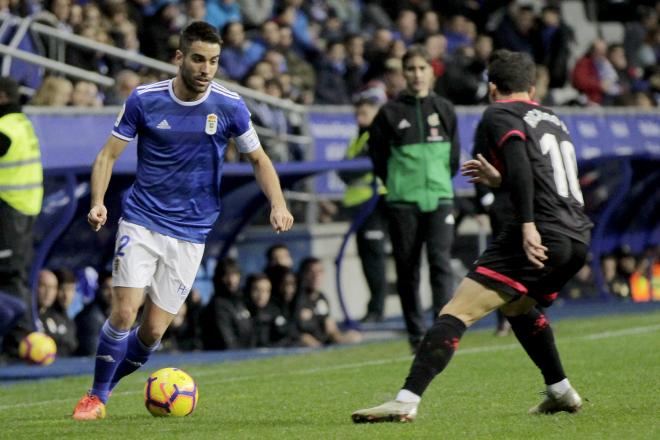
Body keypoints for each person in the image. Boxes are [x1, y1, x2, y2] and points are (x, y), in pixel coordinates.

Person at [352, 49, 592, 423]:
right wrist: (502, 181)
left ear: (493, 88)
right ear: (532, 87)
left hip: (540, 229)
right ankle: (560, 389)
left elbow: (519, 161)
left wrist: (527, 223)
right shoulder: (552, 117)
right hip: (577, 233)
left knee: (456, 312)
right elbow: (538, 173)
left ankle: (405, 399)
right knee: (517, 305)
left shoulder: (499, 113)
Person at [72, 21, 293, 420]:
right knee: (124, 312)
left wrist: (277, 203)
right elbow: (107, 156)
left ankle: (109, 383)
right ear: (179, 58)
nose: (206, 69)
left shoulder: (229, 105)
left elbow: (259, 160)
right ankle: (96, 396)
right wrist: (99, 201)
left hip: (191, 232)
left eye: (213, 61)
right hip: (142, 220)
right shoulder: (144, 99)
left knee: (153, 332)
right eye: (198, 59)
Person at [367, 45, 460, 351]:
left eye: (422, 68)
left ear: (431, 72)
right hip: (403, 202)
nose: (417, 75)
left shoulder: (445, 109)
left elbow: (454, 159)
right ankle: (416, 334)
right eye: (411, 69)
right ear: (403, 74)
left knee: (440, 263)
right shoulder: (389, 113)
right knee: (408, 269)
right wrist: (399, 186)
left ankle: (442, 332)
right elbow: (378, 158)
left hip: (440, 198)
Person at [0, 76, 43, 357]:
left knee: (9, 274)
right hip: (25, 208)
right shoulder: (22, 123)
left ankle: (21, 341)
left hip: (9, 209)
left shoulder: (4, 128)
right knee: (16, 273)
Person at [339, 93, 388, 323]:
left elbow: (353, 169)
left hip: (374, 204)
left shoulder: (377, 137)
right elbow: (343, 170)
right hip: (359, 206)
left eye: (364, 113)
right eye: (357, 113)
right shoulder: (358, 138)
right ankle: (374, 307)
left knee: (375, 258)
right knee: (367, 258)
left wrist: (350, 170)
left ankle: (377, 309)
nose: (359, 118)